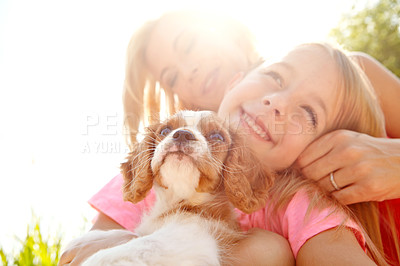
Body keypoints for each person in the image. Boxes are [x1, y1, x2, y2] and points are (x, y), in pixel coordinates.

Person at [59, 10, 400, 265]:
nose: (189, 70)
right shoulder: (166, 160)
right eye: (172, 75)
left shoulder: (346, 74)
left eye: (191, 44)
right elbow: (77, 254)